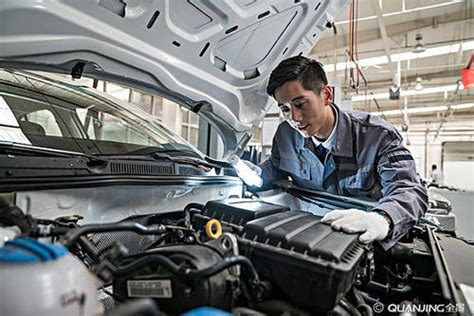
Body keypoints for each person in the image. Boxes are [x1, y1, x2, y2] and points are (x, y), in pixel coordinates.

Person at [255, 56, 428, 250]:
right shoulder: (286, 134)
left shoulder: (377, 136)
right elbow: (276, 169)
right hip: (306, 235)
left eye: (301, 104)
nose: (294, 118)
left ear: (326, 95)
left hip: (361, 242)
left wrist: (381, 219)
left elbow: (409, 191)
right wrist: (253, 172)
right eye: (285, 109)